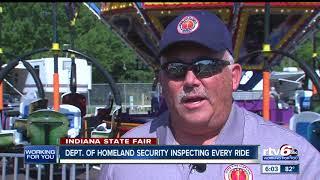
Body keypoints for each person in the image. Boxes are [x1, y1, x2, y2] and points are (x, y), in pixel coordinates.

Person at [99, 10, 320, 179]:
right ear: (163, 81)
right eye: (175, 69)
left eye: (205, 66)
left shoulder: (296, 158)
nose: (190, 80)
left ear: (233, 77)